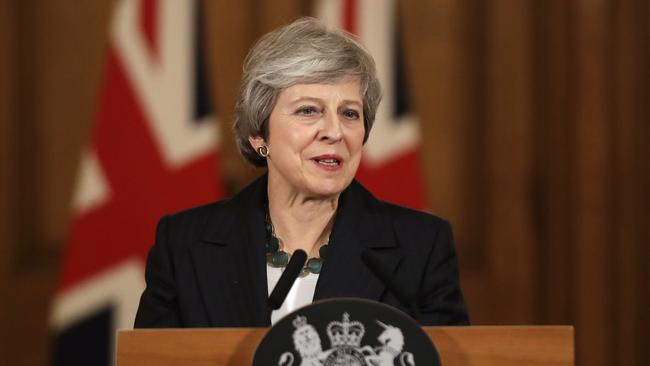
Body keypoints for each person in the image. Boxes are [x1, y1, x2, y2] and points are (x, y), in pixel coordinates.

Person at [134, 17, 468, 328]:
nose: (334, 131)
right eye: (309, 110)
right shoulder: (184, 245)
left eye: (350, 114)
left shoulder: (420, 247)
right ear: (259, 134)